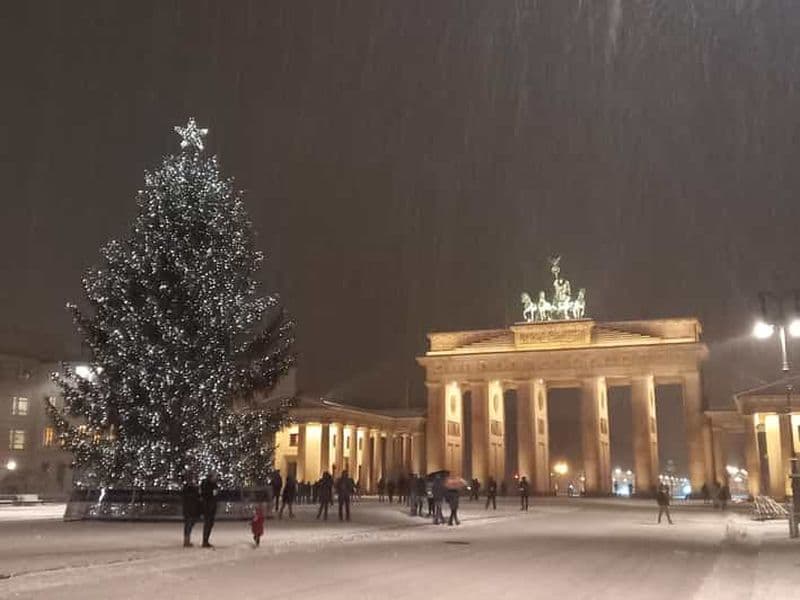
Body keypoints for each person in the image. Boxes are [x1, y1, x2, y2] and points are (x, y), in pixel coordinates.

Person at [182, 473, 201, 547]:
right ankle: (186, 540)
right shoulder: (189, 488)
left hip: (192, 508)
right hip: (190, 508)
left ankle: (187, 539)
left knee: (190, 524)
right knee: (189, 524)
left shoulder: (192, 487)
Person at [200, 472, 219, 548]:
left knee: (209, 524)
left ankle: (206, 540)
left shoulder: (210, 485)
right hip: (208, 507)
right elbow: (209, 495)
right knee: (208, 524)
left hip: (210, 506)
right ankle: (205, 541)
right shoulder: (209, 485)